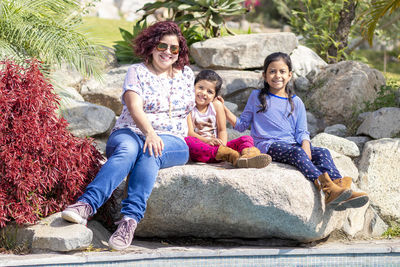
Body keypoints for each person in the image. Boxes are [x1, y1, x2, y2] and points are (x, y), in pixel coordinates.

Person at [61, 21, 195, 250]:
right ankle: (86, 205)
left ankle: (129, 221)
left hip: (173, 140)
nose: (168, 53)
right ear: (152, 45)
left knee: (152, 152)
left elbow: (187, 112)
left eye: (175, 48)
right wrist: (150, 133)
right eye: (163, 46)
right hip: (130, 132)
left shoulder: (186, 75)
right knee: (128, 151)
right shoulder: (137, 72)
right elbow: (135, 107)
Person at [219, 52, 368, 210]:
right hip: (267, 145)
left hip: (292, 144)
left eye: (282, 72)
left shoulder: (296, 102)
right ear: (264, 75)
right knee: (297, 154)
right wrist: (223, 108)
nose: (277, 75)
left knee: (323, 152)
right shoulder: (257, 96)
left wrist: (306, 144)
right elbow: (242, 125)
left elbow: (302, 130)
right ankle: (328, 189)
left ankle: (340, 189)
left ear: (289, 75)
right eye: (272, 71)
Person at [185, 70, 271, 168]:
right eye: (200, 88)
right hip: (202, 151)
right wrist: (207, 141)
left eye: (210, 92)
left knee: (247, 138)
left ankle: (248, 157)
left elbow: (222, 130)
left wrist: (223, 146)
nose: (204, 93)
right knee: (188, 141)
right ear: (193, 87)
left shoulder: (217, 105)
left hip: (221, 150)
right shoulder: (189, 107)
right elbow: (190, 133)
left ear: (215, 96)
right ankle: (233, 157)